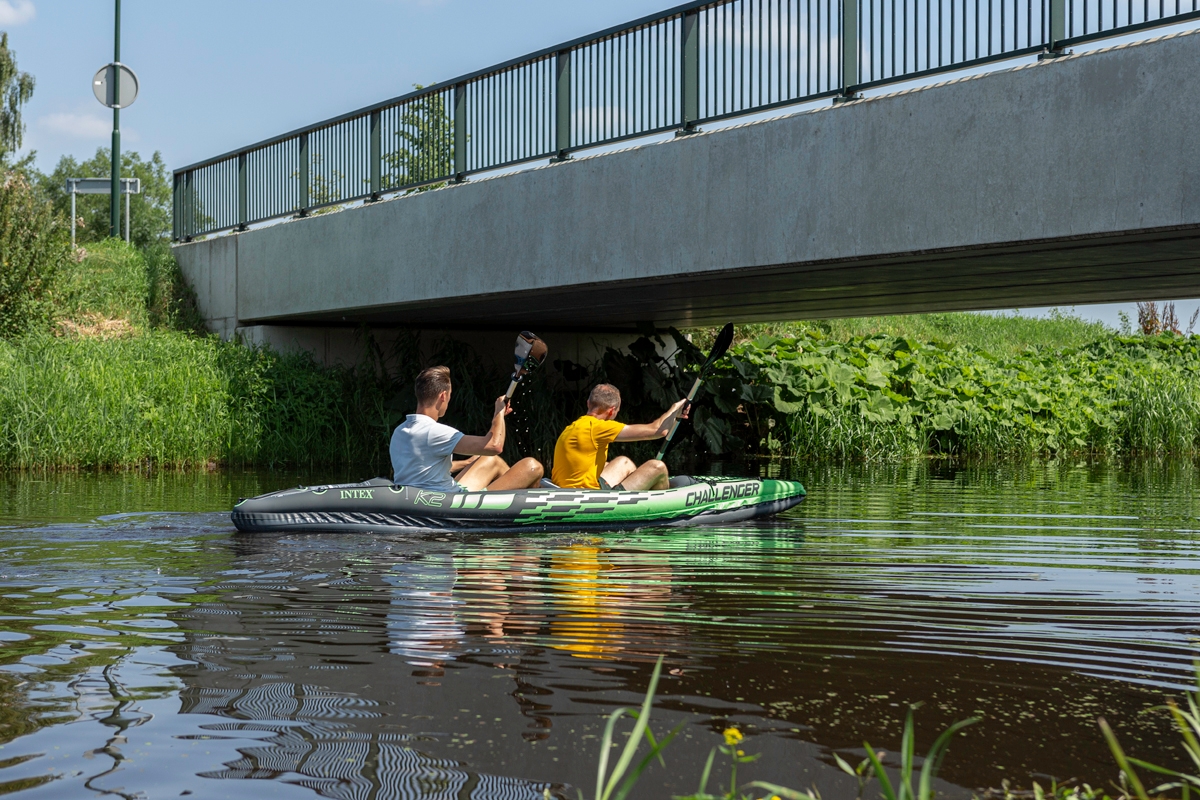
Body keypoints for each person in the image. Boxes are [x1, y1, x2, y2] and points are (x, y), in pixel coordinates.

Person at [390, 366, 543, 491]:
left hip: (421, 498)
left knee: (490, 460)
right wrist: (498, 413)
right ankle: (524, 505)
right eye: (449, 395)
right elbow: (494, 446)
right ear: (443, 396)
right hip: (449, 501)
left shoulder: (400, 431)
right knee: (533, 466)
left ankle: (518, 495)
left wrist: (467, 462)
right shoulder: (435, 432)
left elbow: (424, 467)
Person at [551, 383, 687, 491]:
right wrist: (674, 408)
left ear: (588, 403)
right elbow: (658, 430)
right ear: (611, 411)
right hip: (587, 496)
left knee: (623, 462)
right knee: (657, 466)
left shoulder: (574, 426)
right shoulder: (599, 427)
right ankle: (659, 501)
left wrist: (674, 417)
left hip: (570, 488)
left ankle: (646, 488)